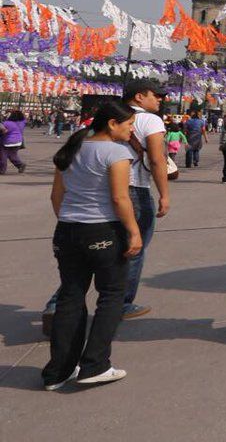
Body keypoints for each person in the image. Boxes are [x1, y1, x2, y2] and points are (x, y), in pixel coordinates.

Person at [42, 101, 143, 390]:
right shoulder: (116, 152)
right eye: (129, 125)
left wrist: (70, 223)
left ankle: (57, 372)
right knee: (111, 295)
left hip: (67, 230)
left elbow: (55, 197)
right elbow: (120, 199)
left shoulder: (72, 148)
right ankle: (95, 364)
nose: (132, 130)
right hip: (103, 230)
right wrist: (134, 232)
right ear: (112, 124)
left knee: (71, 297)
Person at [121, 79, 170, 320]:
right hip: (135, 188)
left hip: (108, 187)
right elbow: (157, 159)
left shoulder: (110, 115)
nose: (160, 99)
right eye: (156, 95)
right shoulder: (150, 120)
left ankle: (57, 303)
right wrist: (164, 194)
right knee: (135, 246)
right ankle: (122, 303)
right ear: (139, 97)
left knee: (102, 246)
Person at [1, 109, 28, 174]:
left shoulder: (7, 123)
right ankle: (20, 165)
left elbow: (2, 128)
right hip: (18, 142)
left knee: (2, 155)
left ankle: (1, 170)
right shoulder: (22, 123)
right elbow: (24, 119)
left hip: (8, 142)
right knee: (12, 155)